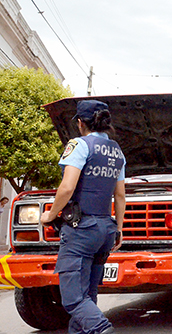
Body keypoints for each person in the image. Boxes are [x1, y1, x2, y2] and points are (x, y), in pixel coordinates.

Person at [40, 100, 126, 334]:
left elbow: (67, 188)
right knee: (88, 296)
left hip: (81, 231)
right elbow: (119, 196)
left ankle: (102, 329)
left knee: (74, 300)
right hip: (105, 231)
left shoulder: (79, 144)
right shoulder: (117, 151)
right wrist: (118, 229)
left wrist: (51, 214)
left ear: (80, 122)